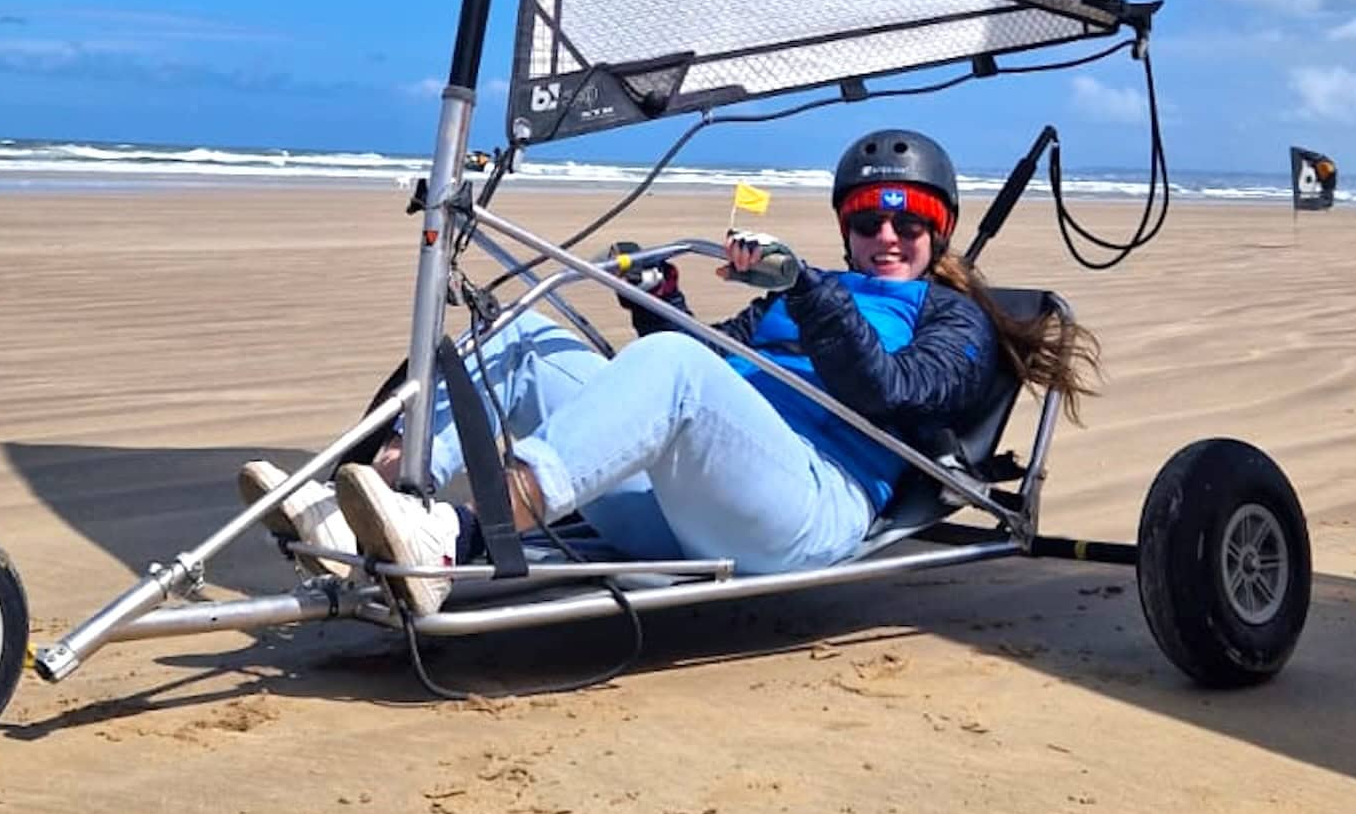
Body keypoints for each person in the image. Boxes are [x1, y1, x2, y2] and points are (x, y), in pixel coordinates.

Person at [240, 127, 1097, 617]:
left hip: (809, 507)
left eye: (909, 221)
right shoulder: (805, 291)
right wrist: (660, 304)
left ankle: (455, 540)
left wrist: (806, 292)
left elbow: (894, 393)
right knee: (527, 334)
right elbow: (711, 360)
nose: (887, 234)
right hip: (683, 507)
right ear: (847, 226)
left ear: (939, 229)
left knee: (677, 369)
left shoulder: (958, 318)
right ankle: (368, 500)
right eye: (868, 218)